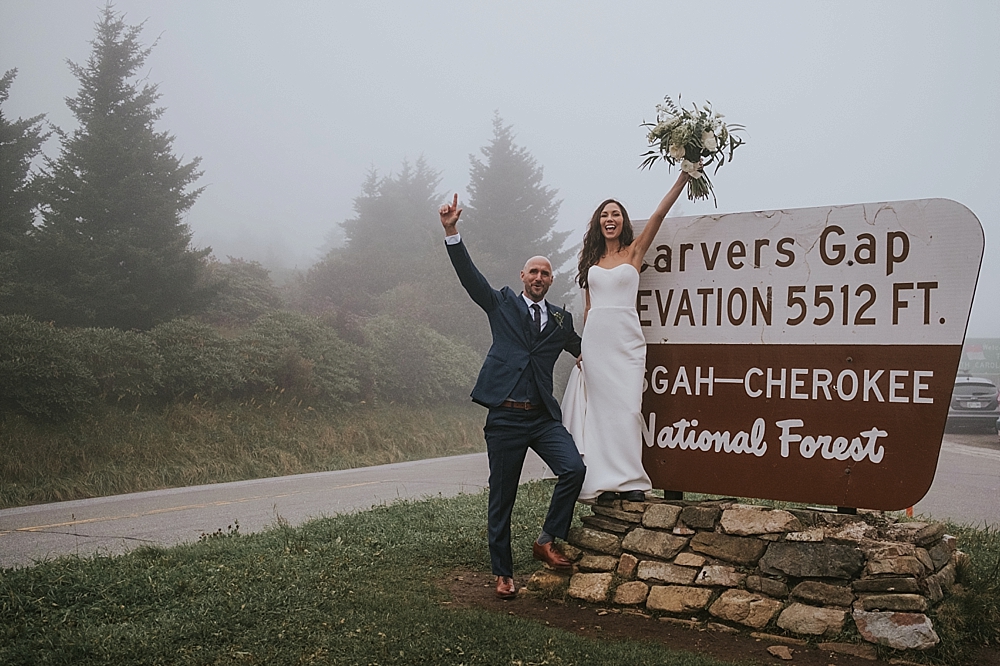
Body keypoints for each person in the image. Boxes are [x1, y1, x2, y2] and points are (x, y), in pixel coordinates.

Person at [439, 194, 586, 600]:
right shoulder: (501, 302)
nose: (539, 277)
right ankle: (503, 573)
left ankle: (546, 540)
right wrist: (452, 231)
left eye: (545, 273)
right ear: (522, 276)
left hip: (542, 417)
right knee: (502, 496)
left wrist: (593, 356)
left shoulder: (561, 318)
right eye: (533, 271)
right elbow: (470, 277)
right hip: (504, 416)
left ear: (551, 280)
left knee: (573, 469)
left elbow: (582, 347)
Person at [562, 171, 691, 506]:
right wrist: (581, 350)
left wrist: (683, 177)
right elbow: (589, 309)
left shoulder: (635, 252)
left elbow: (660, 214)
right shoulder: (591, 261)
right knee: (601, 413)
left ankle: (632, 481)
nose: (610, 219)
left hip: (627, 341)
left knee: (629, 411)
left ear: (623, 222)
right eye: (604, 215)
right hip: (596, 344)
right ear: (597, 223)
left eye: (615, 214)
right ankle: (603, 483)